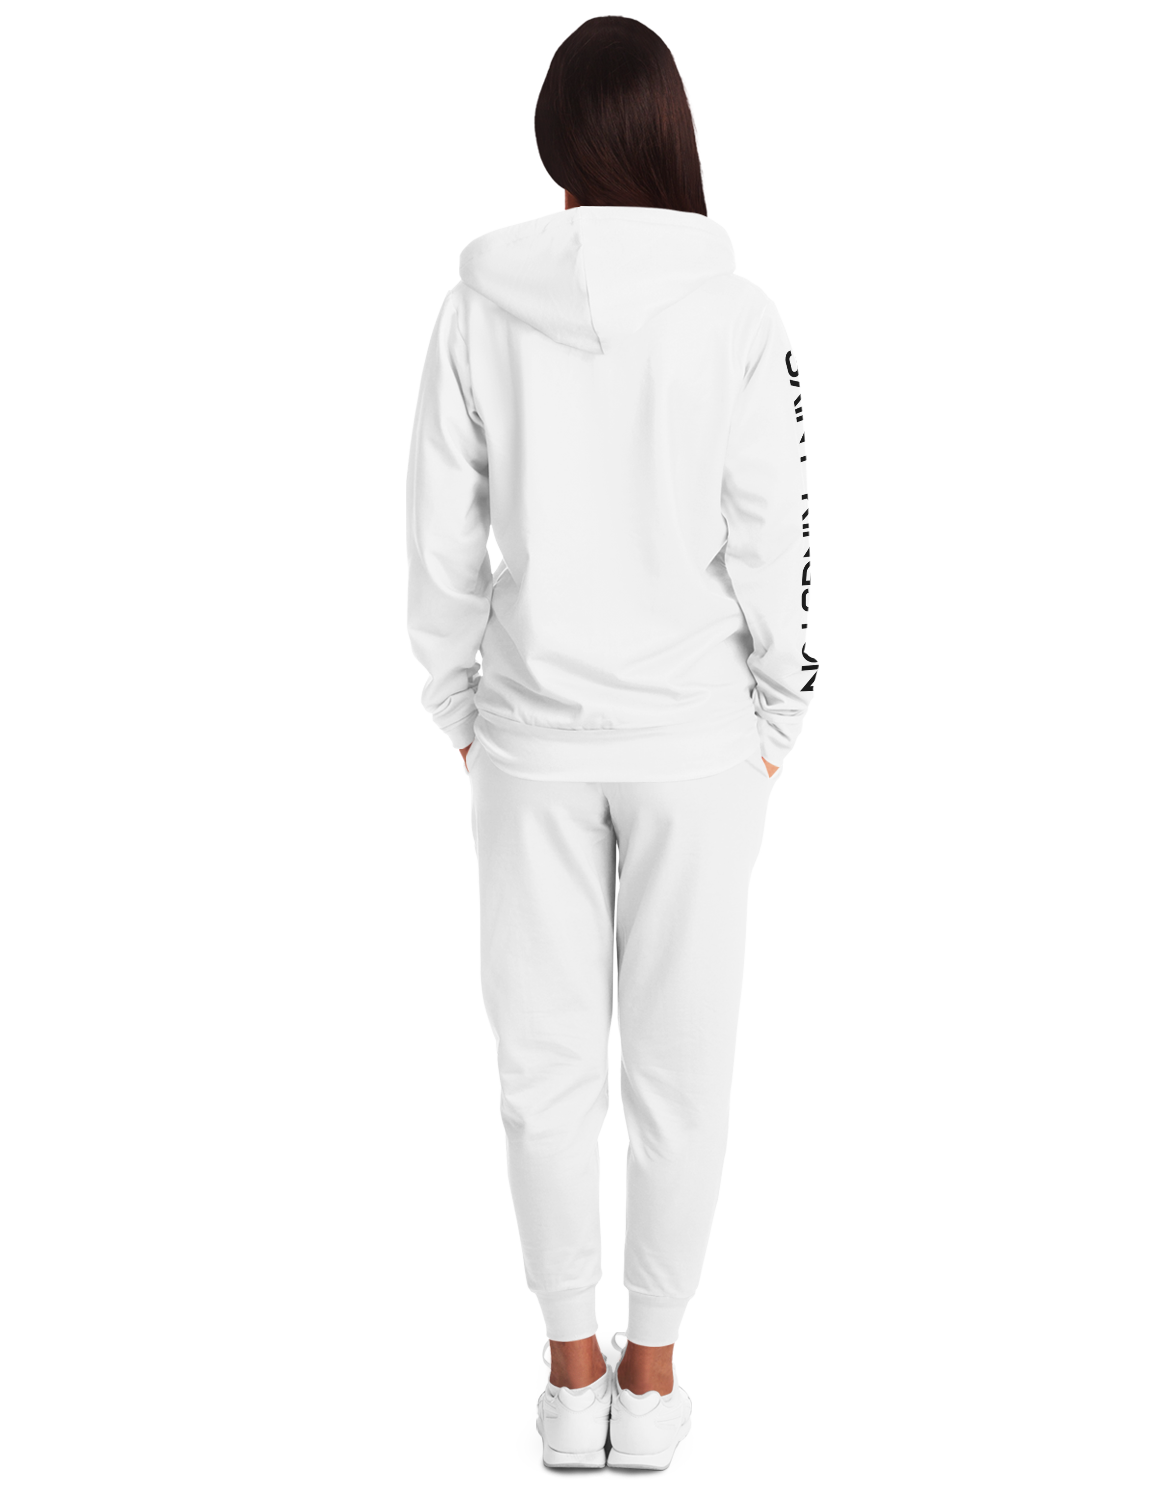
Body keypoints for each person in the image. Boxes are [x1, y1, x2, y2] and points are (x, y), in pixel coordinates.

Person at [404, 16, 815, 1470]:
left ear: (557, 140)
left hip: (527, 739)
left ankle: (567, 1374)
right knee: (683, 1069)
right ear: (673, 133)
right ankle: (652, 1383)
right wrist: (778, 715)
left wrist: (457, 705)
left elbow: (437, 537)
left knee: (544, 1064)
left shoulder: (475, 307)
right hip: (695, 743)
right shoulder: (739, 315)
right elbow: (775, 537)